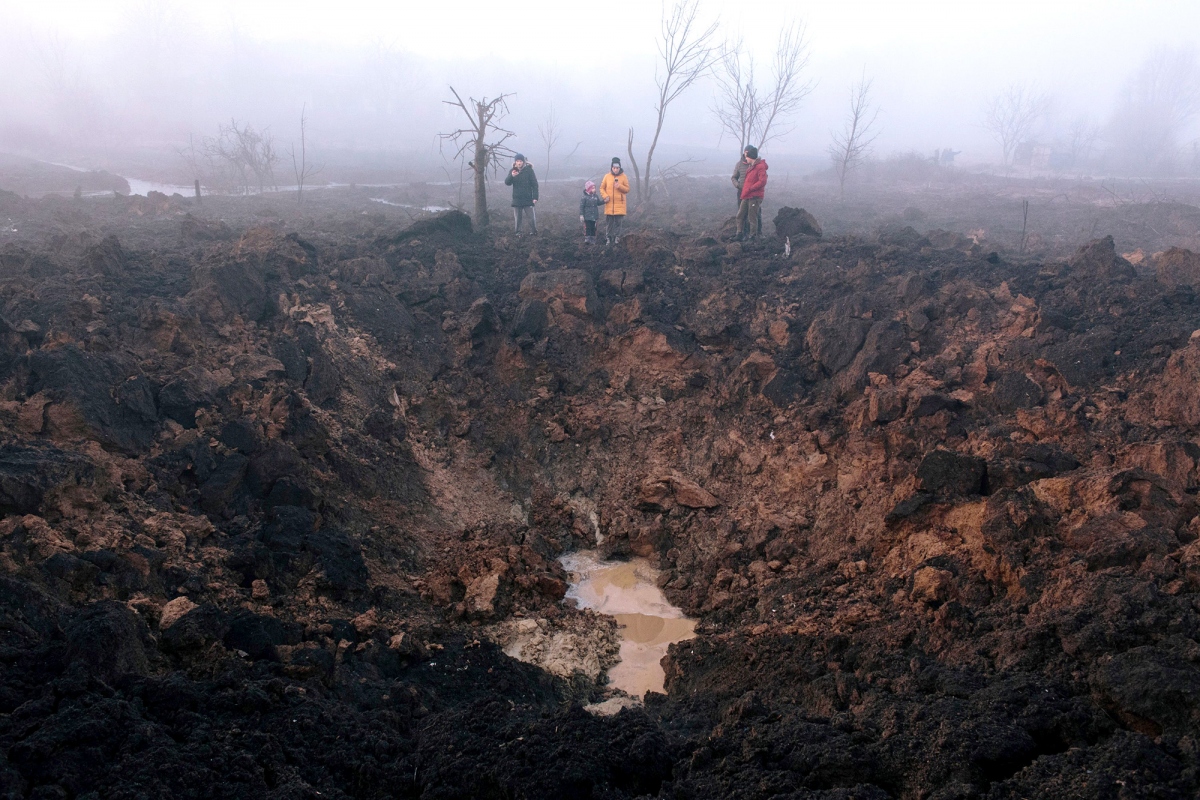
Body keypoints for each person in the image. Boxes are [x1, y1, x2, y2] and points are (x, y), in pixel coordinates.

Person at [735, 145, 767, 241]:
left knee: (752, 217)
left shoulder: (760, 167)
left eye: (747, 157)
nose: (746, 158)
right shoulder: (751, 167)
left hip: (755, 196)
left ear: (750, 157)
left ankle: (753, 236)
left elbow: (762, 181)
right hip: (746, 195)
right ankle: (739, 233)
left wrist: (752, 188)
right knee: (740, 214)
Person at [504, 153, 539, 235]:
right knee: (518, 218)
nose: (519, 163)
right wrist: (512, 176)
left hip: (528, 198)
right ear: (515, 162)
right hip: (517, 198)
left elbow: (534, 185)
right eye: (517, 161)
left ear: (523, 162)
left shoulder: (529, 171)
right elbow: (507, 182)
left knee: (531, 217)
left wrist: (535, 197)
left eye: (520, 161)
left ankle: (534, 232)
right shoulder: (513, 171)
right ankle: (518, 232)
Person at [599, 157, 630, 245]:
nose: (615, 169)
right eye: (614, 168)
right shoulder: (607, 176)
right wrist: (605, 196)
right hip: (609, 204)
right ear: (611, 167)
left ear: (620, 168)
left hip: (620, 205)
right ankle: (608, 238)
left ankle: (617, 238)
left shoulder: (624, 177)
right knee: (609, 223)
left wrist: (619, 186)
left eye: (617, 168)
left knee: (618, 223)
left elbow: (627, 189)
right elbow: (602, 188)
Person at [731, 144, 761, 230]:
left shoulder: (756, 165)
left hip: (754, 193)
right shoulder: (739, 164)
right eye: (745, 152)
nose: (746, 154)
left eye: (748, 152)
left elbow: (762, 179)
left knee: (755, 214)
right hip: (742, 192)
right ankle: (742, 232)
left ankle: (758, 232)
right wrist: (738, 185)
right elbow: (734, 177)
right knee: (741, 213)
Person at [579, 180, 604, 244]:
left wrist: (604, 201)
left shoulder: (595, 196)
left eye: (594, 188)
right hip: (587, 216)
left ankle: (593, 239)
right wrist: (581, 215)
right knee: (588, 227)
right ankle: (587, 239)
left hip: (594, 215)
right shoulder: (584, 197)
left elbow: (598, 203)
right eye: (593, 188)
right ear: (589, 189)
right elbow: (581, 206)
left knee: (593, 227)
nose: (594, 189)